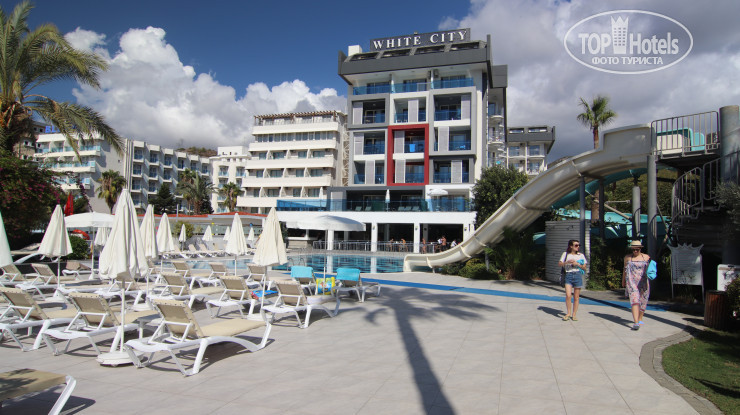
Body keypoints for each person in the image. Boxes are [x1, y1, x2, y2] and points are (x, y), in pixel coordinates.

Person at [623, 240, 650, 330]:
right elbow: (624, 269)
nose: (635, 251)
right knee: (635, 300)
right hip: (631, 281)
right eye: (633, 249)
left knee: (643, 301)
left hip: (643, 281)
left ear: (640, 249)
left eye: (637, 249)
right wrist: (623, 280)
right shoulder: (627, 258)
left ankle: (640, 318)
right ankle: (636, 322)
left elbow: (651, 269)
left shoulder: (646, 257)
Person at [558, 239, 587, 321]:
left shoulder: (581, 255)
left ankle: (574, 314)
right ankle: (568, 313)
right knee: (568, 295)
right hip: (568, 275)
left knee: (576, 297)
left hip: (577, 275)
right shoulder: (565, 254)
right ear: (571, 246)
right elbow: (560, 264)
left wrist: (577, 264)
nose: (578, 247)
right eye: (576, 245)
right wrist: (567, 262)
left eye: (578, 245)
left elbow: (584, 268)